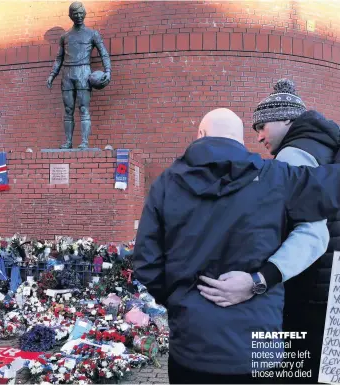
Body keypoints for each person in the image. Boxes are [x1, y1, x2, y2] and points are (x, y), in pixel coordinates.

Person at [132, 107, 340, 384]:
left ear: (201, 135)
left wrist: (179, 300)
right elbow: (330, 188)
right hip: (259, 347)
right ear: (240, 140)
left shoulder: (166, 184)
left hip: (192, 345)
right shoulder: (277, 177)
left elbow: (146, 263)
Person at [199, 79, 340, 382]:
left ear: (287, 119)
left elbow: (313, 233)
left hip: (303, 293)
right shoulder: (326, 148)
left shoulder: (293, 157)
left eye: (262, 126)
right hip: (329, 291)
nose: (259, 136)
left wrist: (257, 281)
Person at [47, 1, 111, 149]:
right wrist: (52, 74)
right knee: (68, 109)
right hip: (67, 74)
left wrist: (108, 71)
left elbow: (104, 54)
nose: (78, 16)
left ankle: (84, 142)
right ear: (70, 16)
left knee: (83, 108)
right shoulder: (65, 37)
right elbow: (59, 58)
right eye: (75, 14)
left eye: (81, 13)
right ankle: (68, 142)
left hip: (84, 72)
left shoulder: (92, 34)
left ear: (85, 14)